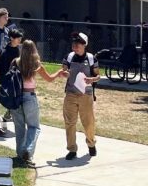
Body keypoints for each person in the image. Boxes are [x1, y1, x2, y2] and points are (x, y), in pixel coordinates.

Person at [54, 32, 100, 160]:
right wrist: (65, 74)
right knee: (69, 123)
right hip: (70, 94)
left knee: (89, 122)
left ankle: (91, 144)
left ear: (84, 45)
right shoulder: (69, 57)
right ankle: (72, 149)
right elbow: (64, 70)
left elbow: (98, 76)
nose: (74, 46)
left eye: (77, 44)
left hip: (86, 95)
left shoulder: (91, 58)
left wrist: (92, 79)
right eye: (73, 44)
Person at [14, 40, 56, 167]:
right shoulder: (36, 64)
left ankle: (20, 154)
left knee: (19, 128)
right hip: (30, 96)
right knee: (34, 127)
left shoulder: (15, 62)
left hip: (16, 97)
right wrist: (59, 73)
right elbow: (49, 79)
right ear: (34, 49)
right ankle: (28, 150)